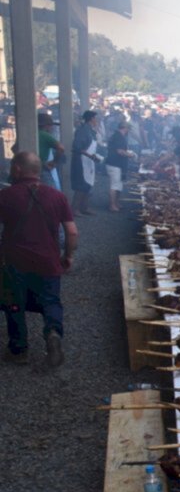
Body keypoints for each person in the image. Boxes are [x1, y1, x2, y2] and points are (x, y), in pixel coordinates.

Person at [0, 152, 77, 366]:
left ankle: (18, 350)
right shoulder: (57, 196)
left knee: (13, 303)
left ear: (17, 169)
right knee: (51, 301)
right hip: (48, 261)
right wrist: (68, 255)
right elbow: (71, 231)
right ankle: (53, 335)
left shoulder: (5, 196)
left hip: (14, 262)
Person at [70, 110, 101, 217]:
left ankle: (84, 207)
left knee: (88, 185)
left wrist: (94, 156)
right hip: (81, 160)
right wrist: (90, 156)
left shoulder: (91, 130)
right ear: (91, 119)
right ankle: (75, 209)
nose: (97, 120)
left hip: (89, 160)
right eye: (96, 118)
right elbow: (77, 147)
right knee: (81, 185)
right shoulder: (83, 130)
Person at [106, 120, 134, 213]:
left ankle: (116, 203)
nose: (128, 131)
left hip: (117, 164)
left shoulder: (117, 135)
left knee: (119, 185)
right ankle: (112, 205)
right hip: (114, 164)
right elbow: (119, 151)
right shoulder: (119, 137)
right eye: (128, 129)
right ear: (125, 128)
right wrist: (130, 155)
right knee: (114, 185)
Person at [36, 112, 64, 189]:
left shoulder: (29, 134)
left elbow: (14, 149)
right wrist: (54, 162)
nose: (51, 128)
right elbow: (61, 148)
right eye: (51, 126)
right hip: (42, 170)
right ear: (47, 126)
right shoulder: (44, 135)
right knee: (52, 193)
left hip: (28, 170)